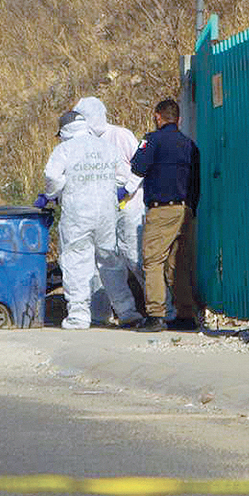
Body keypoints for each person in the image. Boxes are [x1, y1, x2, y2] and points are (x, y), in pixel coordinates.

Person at [35, 111, 135, 330]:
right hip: (107, 214)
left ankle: (79, 315)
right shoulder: (105, 147)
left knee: (76, 262)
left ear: (63, 132)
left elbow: (52, 177)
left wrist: (51, 194)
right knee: (110, 261)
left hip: (77, 214)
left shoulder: (64, 150)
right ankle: (127, 311)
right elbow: (124, 176)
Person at [72, 96, 146, 327]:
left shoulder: (120, 135)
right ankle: (126, 313)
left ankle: (164, 309)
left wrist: (127, 189)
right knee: (107, 262)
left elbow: (140, 166)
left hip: (130, 206)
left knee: (135, 257)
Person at [130, 98, 200, 332]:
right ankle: (186, 314)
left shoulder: (152, 140)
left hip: (161, 209)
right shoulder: (190, 144)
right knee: (178, 264)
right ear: (178, 119)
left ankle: (155, 314)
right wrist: (191, 209)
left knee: (153, 261)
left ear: (158, 117)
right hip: (185, 210)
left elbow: (138, 167)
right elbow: (196, 182)